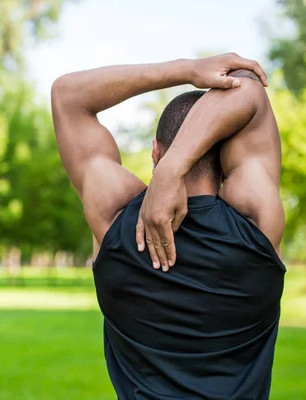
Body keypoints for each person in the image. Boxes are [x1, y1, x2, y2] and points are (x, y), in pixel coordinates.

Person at [51, 53, 285, 399]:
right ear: (222, 155)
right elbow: (247, 88)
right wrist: (176, 166)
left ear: (155, 151)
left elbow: (66, 94)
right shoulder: (256, 222)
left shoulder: (114, 216)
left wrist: (187, 71)